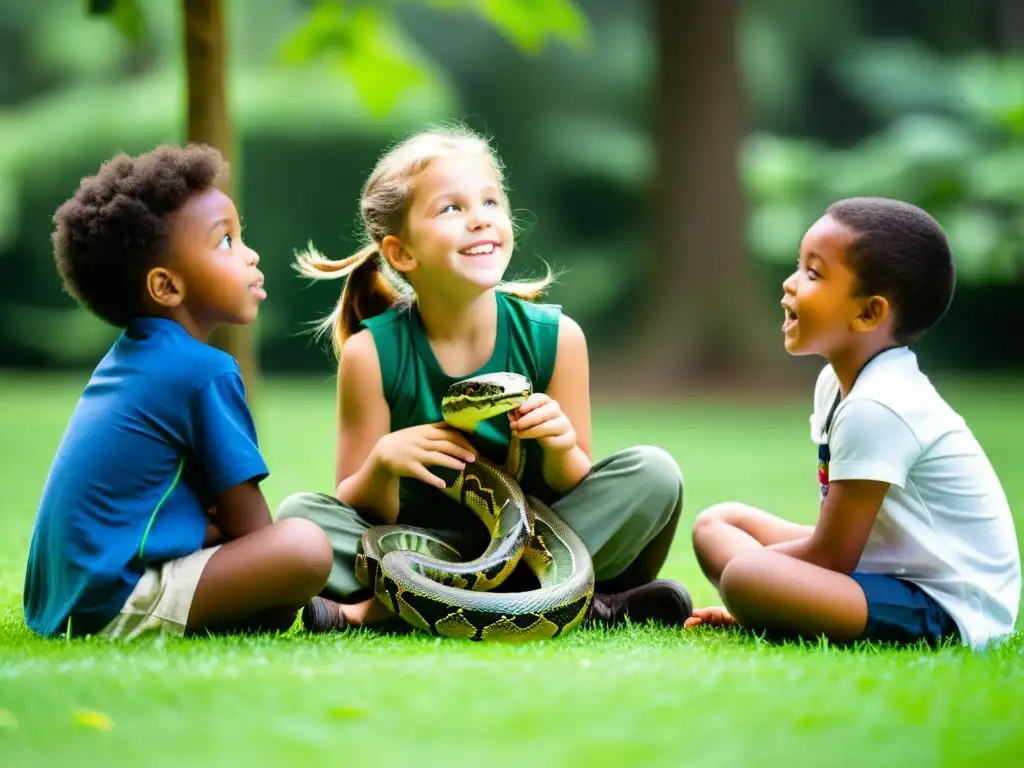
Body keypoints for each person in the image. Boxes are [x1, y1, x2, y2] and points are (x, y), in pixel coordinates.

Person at [277, 124, 692, 633]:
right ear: (402, 252)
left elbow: (574, 483)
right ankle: (572, 604)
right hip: (416, 543)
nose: (480, 220)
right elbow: (360, 507)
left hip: (539, 537)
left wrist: (560, 447)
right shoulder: (370, 355)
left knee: (654, 473)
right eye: (451, 208)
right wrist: (383, 465)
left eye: (491, 203)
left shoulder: (558, 338)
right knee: (301, 518)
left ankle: (385, 611)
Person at [23, 144, 334, 641]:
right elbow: (252, 528)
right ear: (167, 287)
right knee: (304, 546)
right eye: (226, 242)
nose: (249, 253)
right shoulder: (202, 370)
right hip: (110, 603)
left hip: (63, 602)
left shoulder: (134, 359)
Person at [688, 197, 1020, 649]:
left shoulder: (880, 406)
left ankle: (771, 600)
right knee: (717, 525)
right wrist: (772, 585)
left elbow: (831, 555)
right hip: (880, 569)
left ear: (868, 313)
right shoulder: (836, 384)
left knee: (747, 573)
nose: (788, 285)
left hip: (943, 604)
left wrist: (764, 582)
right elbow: (836, 542)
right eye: (798, 265)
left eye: (813, 273)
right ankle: (774, 601)